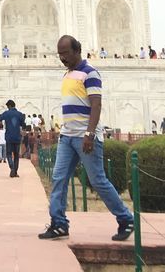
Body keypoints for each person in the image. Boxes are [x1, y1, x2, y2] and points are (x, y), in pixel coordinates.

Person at [39, 35, 134, 243]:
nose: (62, 57)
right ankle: (59, 223)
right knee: (58, 178)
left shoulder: (90, 73)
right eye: (60, 54)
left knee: (97, 180)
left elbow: (96, 105)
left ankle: (126, 219)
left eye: (65, 53)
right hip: (67, 136)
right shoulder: (68, 74)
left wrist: (89, 134)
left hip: (85, 137)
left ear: (77, 51)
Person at [0, 100, 26, 177]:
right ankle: (15, 172)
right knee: (16, 155)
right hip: (17, 137)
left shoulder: (6, 113)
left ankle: (12, 168)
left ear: (9, 106)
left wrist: (1, 122)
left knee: (9, 154)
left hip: (9, 137)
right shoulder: (19, 114)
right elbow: (24, 125)